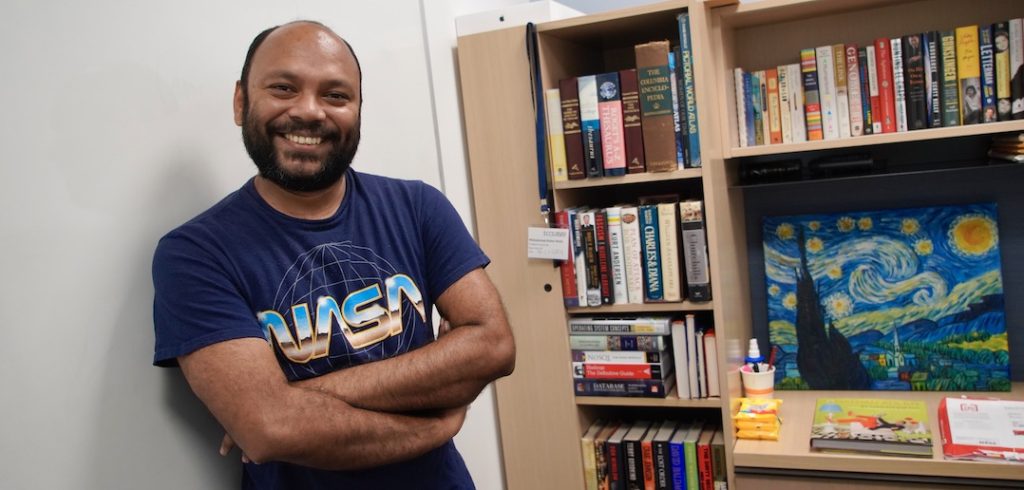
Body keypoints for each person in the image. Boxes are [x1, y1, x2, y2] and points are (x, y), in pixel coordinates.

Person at [151, 20, 515, 489]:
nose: (309, 111)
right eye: (283, 88)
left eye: (336, 96)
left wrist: (303, 396)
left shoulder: (417, 207)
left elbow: (494, 345)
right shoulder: (195, 253)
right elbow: (270, 429)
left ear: (358, 109)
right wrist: (435, 423)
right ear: (241, 101)